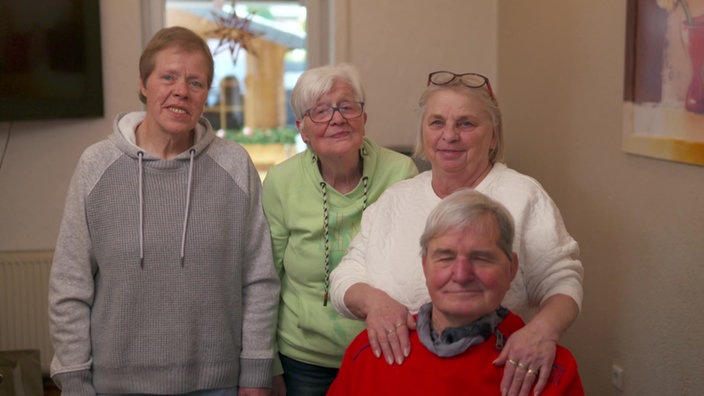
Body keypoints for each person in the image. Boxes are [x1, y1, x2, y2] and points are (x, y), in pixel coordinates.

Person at [48, 26, 280, 395]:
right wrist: (75, 381)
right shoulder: (96, 166)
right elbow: (70, 285)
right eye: (168, 77)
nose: (181, 92)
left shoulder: (235, 167)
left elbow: (259, 280)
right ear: (143, 84)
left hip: (218, 384)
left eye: (196, 82)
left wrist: (255, 374)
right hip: (116, 386)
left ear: (206, 95)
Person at [330, 71, 584, 396]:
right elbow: (346, 276)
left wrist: (543, 331)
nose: (449, 135)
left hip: (494, 372)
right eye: (437, 123)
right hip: (396, 371)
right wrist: (374, 302)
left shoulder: (523, 195)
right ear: (423, 134)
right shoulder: (396, 199)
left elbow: (562, 279)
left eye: (466, 123)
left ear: (493, 136)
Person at [327, 189, 584, 395]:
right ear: (424, 266)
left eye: (482, 258)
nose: (461, 275)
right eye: (445, 257)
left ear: (512, 268)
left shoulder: (548, 370)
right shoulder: (369, 355)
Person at [261, 63, 418, 395]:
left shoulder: (400, 172)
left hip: (384, 350)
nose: (337, 118)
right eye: (321, 111)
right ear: (302, 129)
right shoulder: (281, 181)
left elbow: (415, 267)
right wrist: (269, 364)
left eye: (347, 106)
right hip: (303, 359)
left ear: (364, 118)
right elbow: (267, 278)